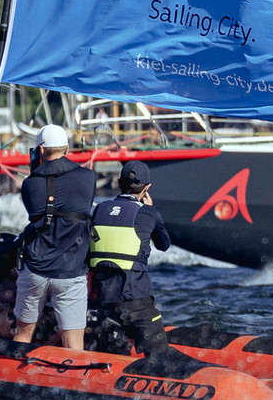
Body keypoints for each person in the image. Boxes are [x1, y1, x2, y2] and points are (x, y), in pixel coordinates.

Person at [9, 124, 94, 351]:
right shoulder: (88, 178)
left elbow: (37, 211)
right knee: (74, 342)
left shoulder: (29, 184)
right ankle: (72, 383)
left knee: (23, 333)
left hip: (35, 270)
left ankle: (14, 377)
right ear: (66, 148)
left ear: (40, 150)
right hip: (71, 272)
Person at [87, 161, 174, 357]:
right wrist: (153, 211)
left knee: (111, 353)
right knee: (160, 355)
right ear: (147, 188)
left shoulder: (99, 209)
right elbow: (164, 244)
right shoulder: (148, 212)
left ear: (118, 183)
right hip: (135, 300)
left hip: (102, 300)